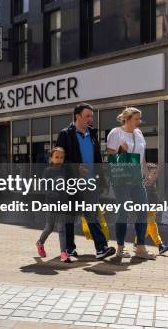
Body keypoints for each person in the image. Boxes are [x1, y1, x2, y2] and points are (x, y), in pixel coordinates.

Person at [55, 103, 116, 260]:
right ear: (77, 116)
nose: (91, 119)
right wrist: (76, 168)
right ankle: (69, 248)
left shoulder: (92, 134)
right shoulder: (65, 135)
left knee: (92, 215)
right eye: (87, 116)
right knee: (70, 216)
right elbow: (59, 159)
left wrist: (102, 180)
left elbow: (97, 159)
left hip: (91, 183)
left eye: (92, 116)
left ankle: (101, 248)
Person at [106, 107, 156, 260]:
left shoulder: (138, 133)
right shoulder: (116, 132)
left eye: (139, 119)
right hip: (122, 179)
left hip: (137, 178)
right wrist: (121, 150)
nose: (139, 121)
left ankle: (140, 247)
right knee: (123, 213)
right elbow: (110, 156)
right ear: (126, 119)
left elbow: (142, 156)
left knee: (142, 211)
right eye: (136, 119)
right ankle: (120, 248)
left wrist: (146, 174)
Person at [35, 147, 71, 262]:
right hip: (51, 203)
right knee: (49, 227)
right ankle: (40, 242)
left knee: (61, 228)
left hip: (63, 203)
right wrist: (51, 193)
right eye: (56, 157)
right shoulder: (48, 171)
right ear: (51, 158)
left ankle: (63, 253)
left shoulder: (66, 170)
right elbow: (43, 186)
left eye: (61, 157)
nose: (59, 159)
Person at [139, 163, 168, 254]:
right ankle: (160, 245)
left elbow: (153, 196)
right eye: (154, 173)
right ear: (147, 173)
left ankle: (138, 242)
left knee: (148, 227)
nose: (156, 175)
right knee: (152, 225)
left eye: (157, 173)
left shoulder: (152, 183)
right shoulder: (145, 183)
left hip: (151, 208)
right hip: (147, 208)